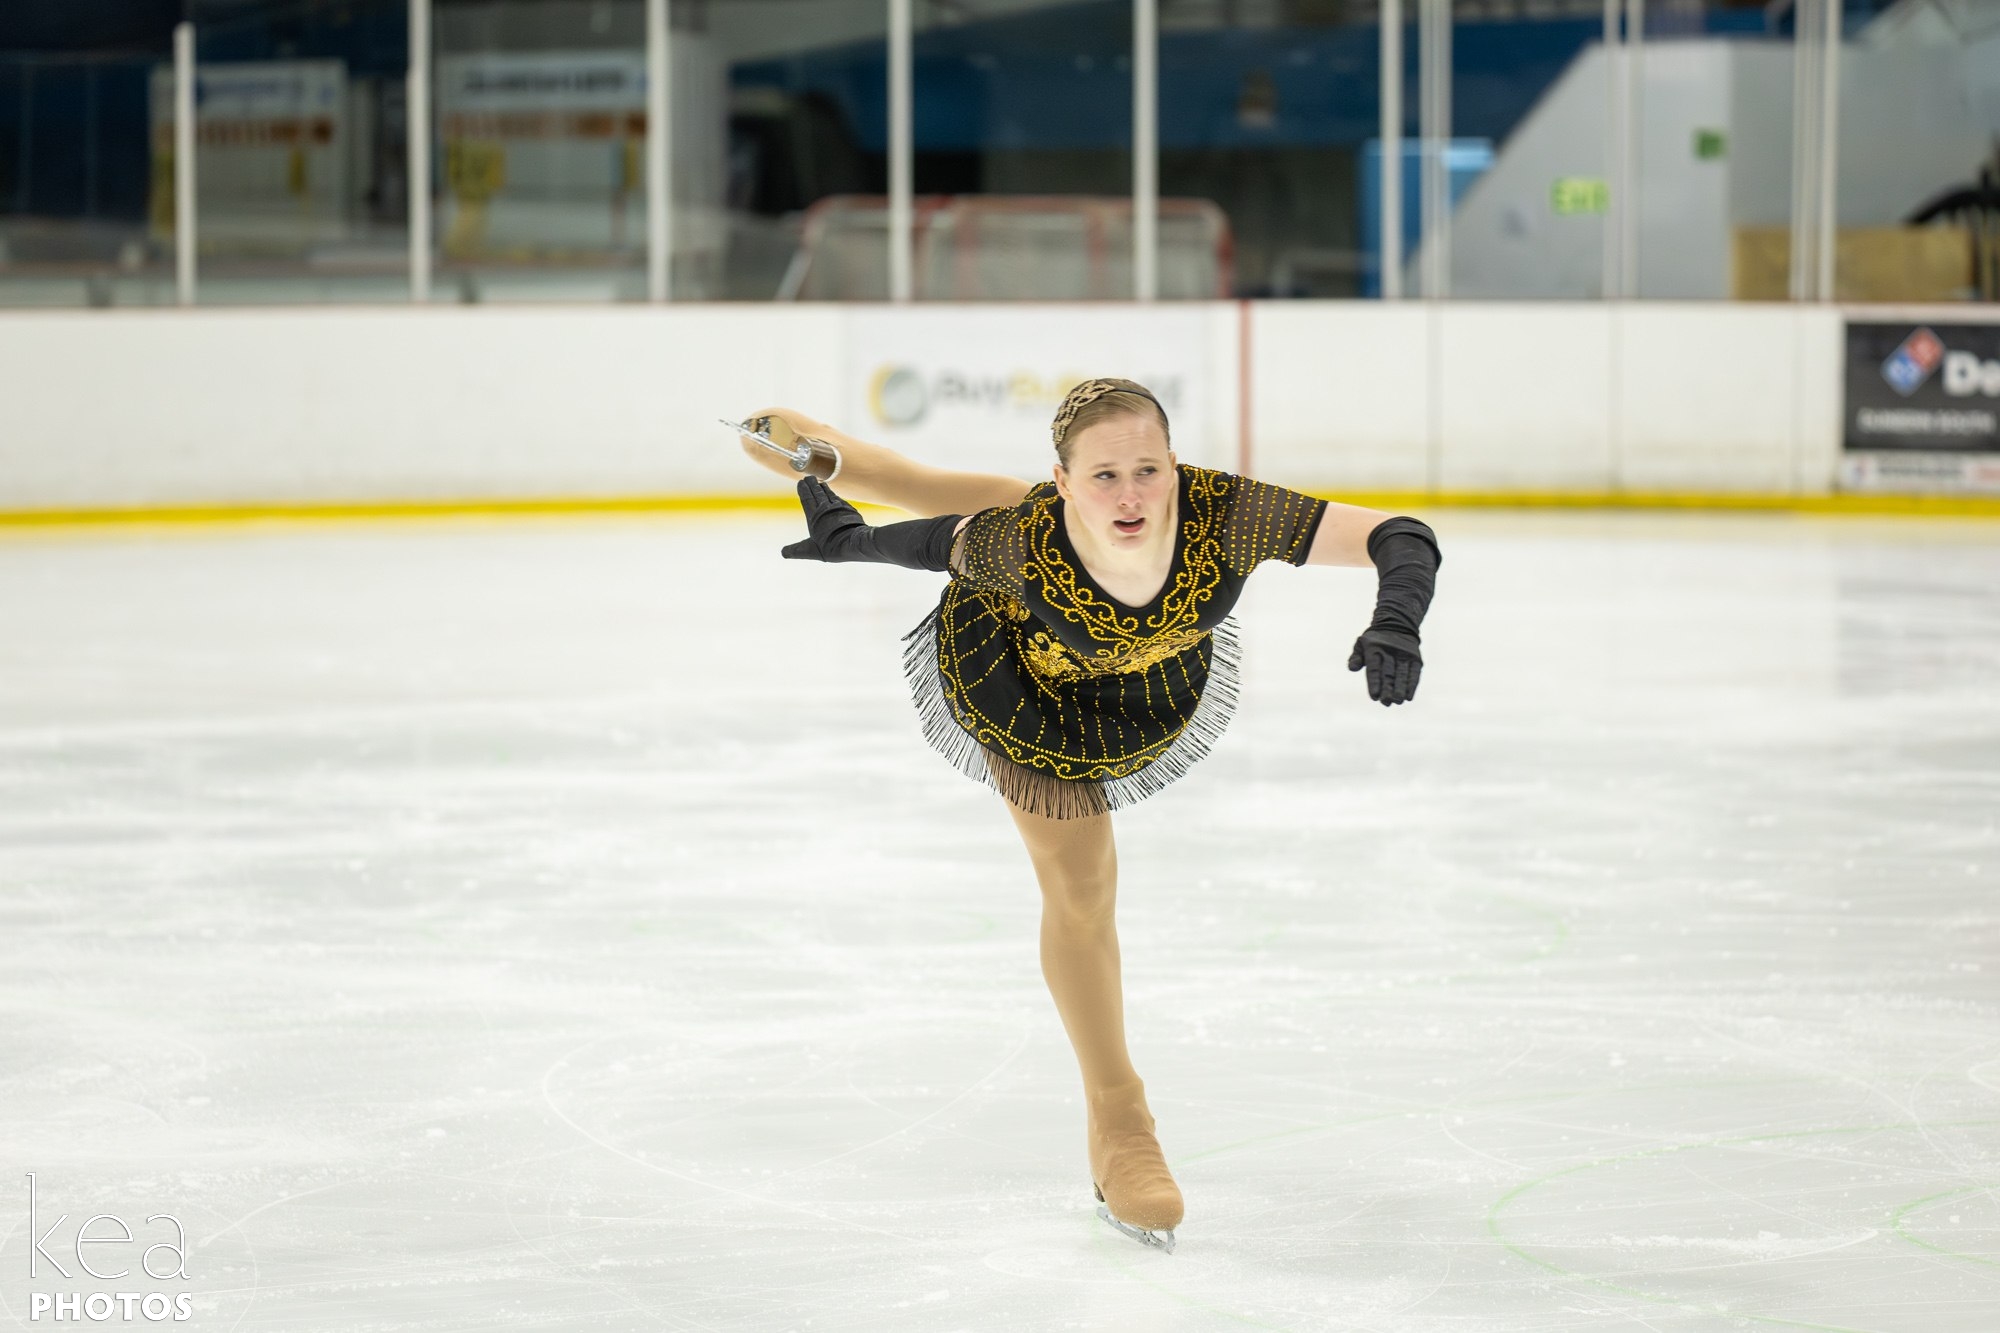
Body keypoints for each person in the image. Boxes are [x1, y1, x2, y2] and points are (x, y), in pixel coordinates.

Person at [733, 379, 1440, 1252]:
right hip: (1025, 679)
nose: (1133, 494)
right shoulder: (1017, 544)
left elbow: (1398, 535)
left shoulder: (1225, 513)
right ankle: (1120, 1120)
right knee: (1082, 888)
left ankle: (829, 451)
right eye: (1105, 475)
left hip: (1144, 676)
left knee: (986, 497)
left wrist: (1397, 619)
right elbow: (917, 540)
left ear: (1175, 464)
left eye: (1148, 470)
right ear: (1067, 480)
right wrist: (846, 539)